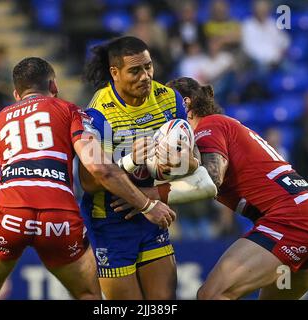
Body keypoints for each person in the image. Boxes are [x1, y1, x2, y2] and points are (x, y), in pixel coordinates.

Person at [0, 57, 176, 300]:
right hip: (58, 216)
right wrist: (147, 205)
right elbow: (99, 167)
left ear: (16, 94)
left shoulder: (1, 119)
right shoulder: (70, 110)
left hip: (9, 214)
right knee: (88, 295)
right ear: (53, 86)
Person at [119, 77, 308, 299]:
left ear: (185, 103)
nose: (159, 112)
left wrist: (148, 197)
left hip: (292, 222)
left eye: (164, 104)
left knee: (211, 295)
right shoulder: (216, 129)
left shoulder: (209, 126)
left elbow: (211, 180)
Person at [81, 36, 216, 299]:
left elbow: (193, 161)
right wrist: (130, 160)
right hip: (110, 221)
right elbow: (87, 181)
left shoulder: (168, 99)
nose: (145, 76)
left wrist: (178, 160)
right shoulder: (99, 112)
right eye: (135, 70)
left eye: (148, 67)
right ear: (115, 73)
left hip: (151, 216)